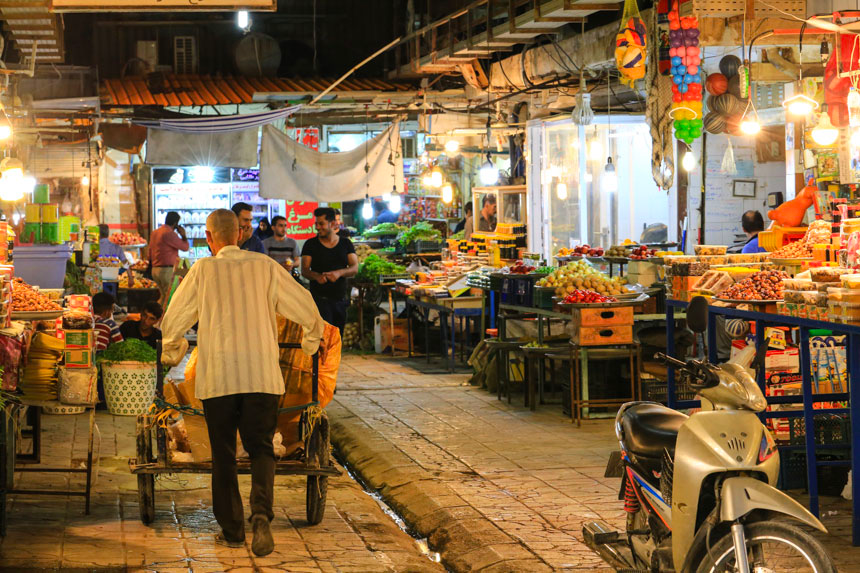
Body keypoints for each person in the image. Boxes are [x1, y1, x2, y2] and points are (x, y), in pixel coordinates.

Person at [161, 209, 324, 557]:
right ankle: (261, 515)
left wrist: (172, 351)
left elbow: (174, 318)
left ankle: (233, 531)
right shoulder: (264, 267)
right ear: (239, 233)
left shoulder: (203, 269)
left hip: (218, 378)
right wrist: (312, 339)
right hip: (262, 376)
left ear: (210, 238)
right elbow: (305, 306)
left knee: (223, 456)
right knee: (262, 448)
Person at [301, 207, 358, 334]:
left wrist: (339, 273)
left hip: (340, 300)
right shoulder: (310, 244)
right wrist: (316, 276)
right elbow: (304, 270)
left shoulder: (346, 244)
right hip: (319, 301)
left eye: (321, 224)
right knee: (322, 338)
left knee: (337, 338)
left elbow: (354, 267)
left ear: (332, 224)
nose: (317, 227)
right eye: (316, 223)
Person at [149, 211, 190, 305]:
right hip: (166, 270)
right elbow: (185, 247)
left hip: (155, 269)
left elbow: (150, 251)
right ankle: (166, 318)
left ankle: (158, 317)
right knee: (172, 298)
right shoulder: (169, 234)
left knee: (163, 297)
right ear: (175, 223)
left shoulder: (155, 232)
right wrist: (183, 235)